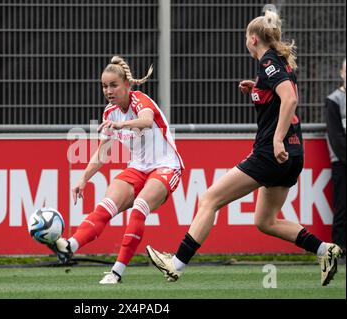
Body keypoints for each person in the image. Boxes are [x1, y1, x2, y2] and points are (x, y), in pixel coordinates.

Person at [146, 10, 342, 286]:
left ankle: (175, 263)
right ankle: (325, 250)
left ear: (252, 39)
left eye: (245, 39)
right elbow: (279, 95)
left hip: (272, 153)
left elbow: (290, 99)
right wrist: (257, 88)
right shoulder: (277, 63)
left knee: (210, 199)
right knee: (266, 220)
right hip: (294, 153)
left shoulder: (269, 62)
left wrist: (276, 140)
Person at [47, 56, 184, 284]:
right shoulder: (110, 113)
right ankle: (70, 246)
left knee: (139, 207)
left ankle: (117, 271)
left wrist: (121, 125)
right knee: (105, 206)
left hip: (167, 166)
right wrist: (83, 179)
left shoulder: (139, 100)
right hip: (138, 168)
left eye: (113, 85)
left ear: (127, 85)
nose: (108, 90)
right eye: (104, 86)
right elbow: (103, 153)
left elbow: (147, 121)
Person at [325, 59, 346, 257]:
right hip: (341, 162)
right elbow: (336, 137)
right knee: (342, 207)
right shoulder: (334, 100)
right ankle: (339, 250)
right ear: (341, 73)